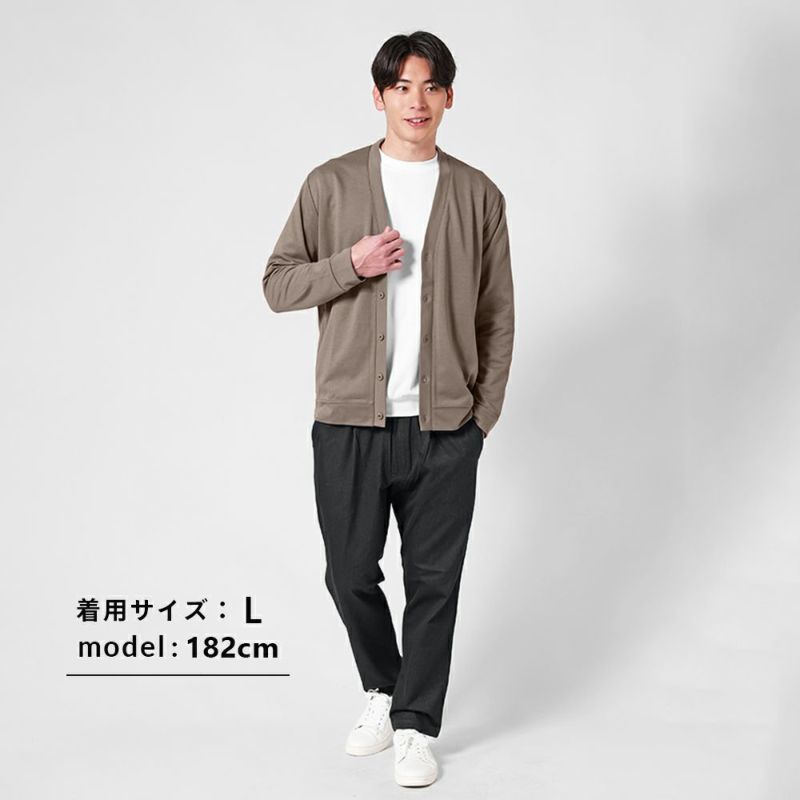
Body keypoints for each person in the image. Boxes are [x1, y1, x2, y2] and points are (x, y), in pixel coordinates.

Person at [261, 30, 514, 788]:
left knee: (435, 583)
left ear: (449, 97)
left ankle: (414, 726)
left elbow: (497, 316)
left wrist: (480, 418)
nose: (416, 100)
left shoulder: (478, 195)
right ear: (378, 97)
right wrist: (351, 264)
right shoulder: (330, 184)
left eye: (430, 85)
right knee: (348, 573)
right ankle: (384, 685)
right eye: (401, 86)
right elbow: (277, 284)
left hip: (444, 428)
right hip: (349, 421)